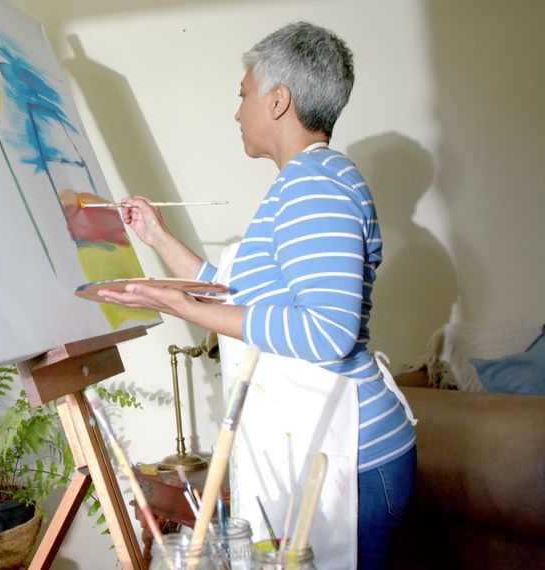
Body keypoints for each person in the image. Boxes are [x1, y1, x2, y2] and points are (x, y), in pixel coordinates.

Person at [98, 22, 416, 569]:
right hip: (333, 444)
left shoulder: (316, 186)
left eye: (243, 94)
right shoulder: (306, 181)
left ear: (278, 101)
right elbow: (238, 294)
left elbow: (326, 331)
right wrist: (156, 237)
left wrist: (178, 305)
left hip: (352, 457)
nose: (238, 110)